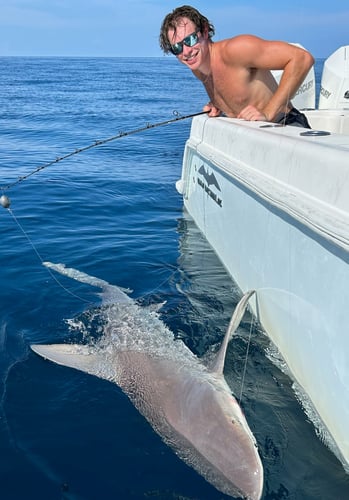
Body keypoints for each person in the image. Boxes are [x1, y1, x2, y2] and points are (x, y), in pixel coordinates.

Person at [159, 5, 314, 128]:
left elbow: (302, 58)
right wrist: (218, 104)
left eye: (191, 39)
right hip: (254, 133)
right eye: (177, 48)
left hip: (286, 125)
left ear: (205, 31)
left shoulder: (236, 50)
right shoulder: (198, 69)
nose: (186, 51)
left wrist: (268, 112)